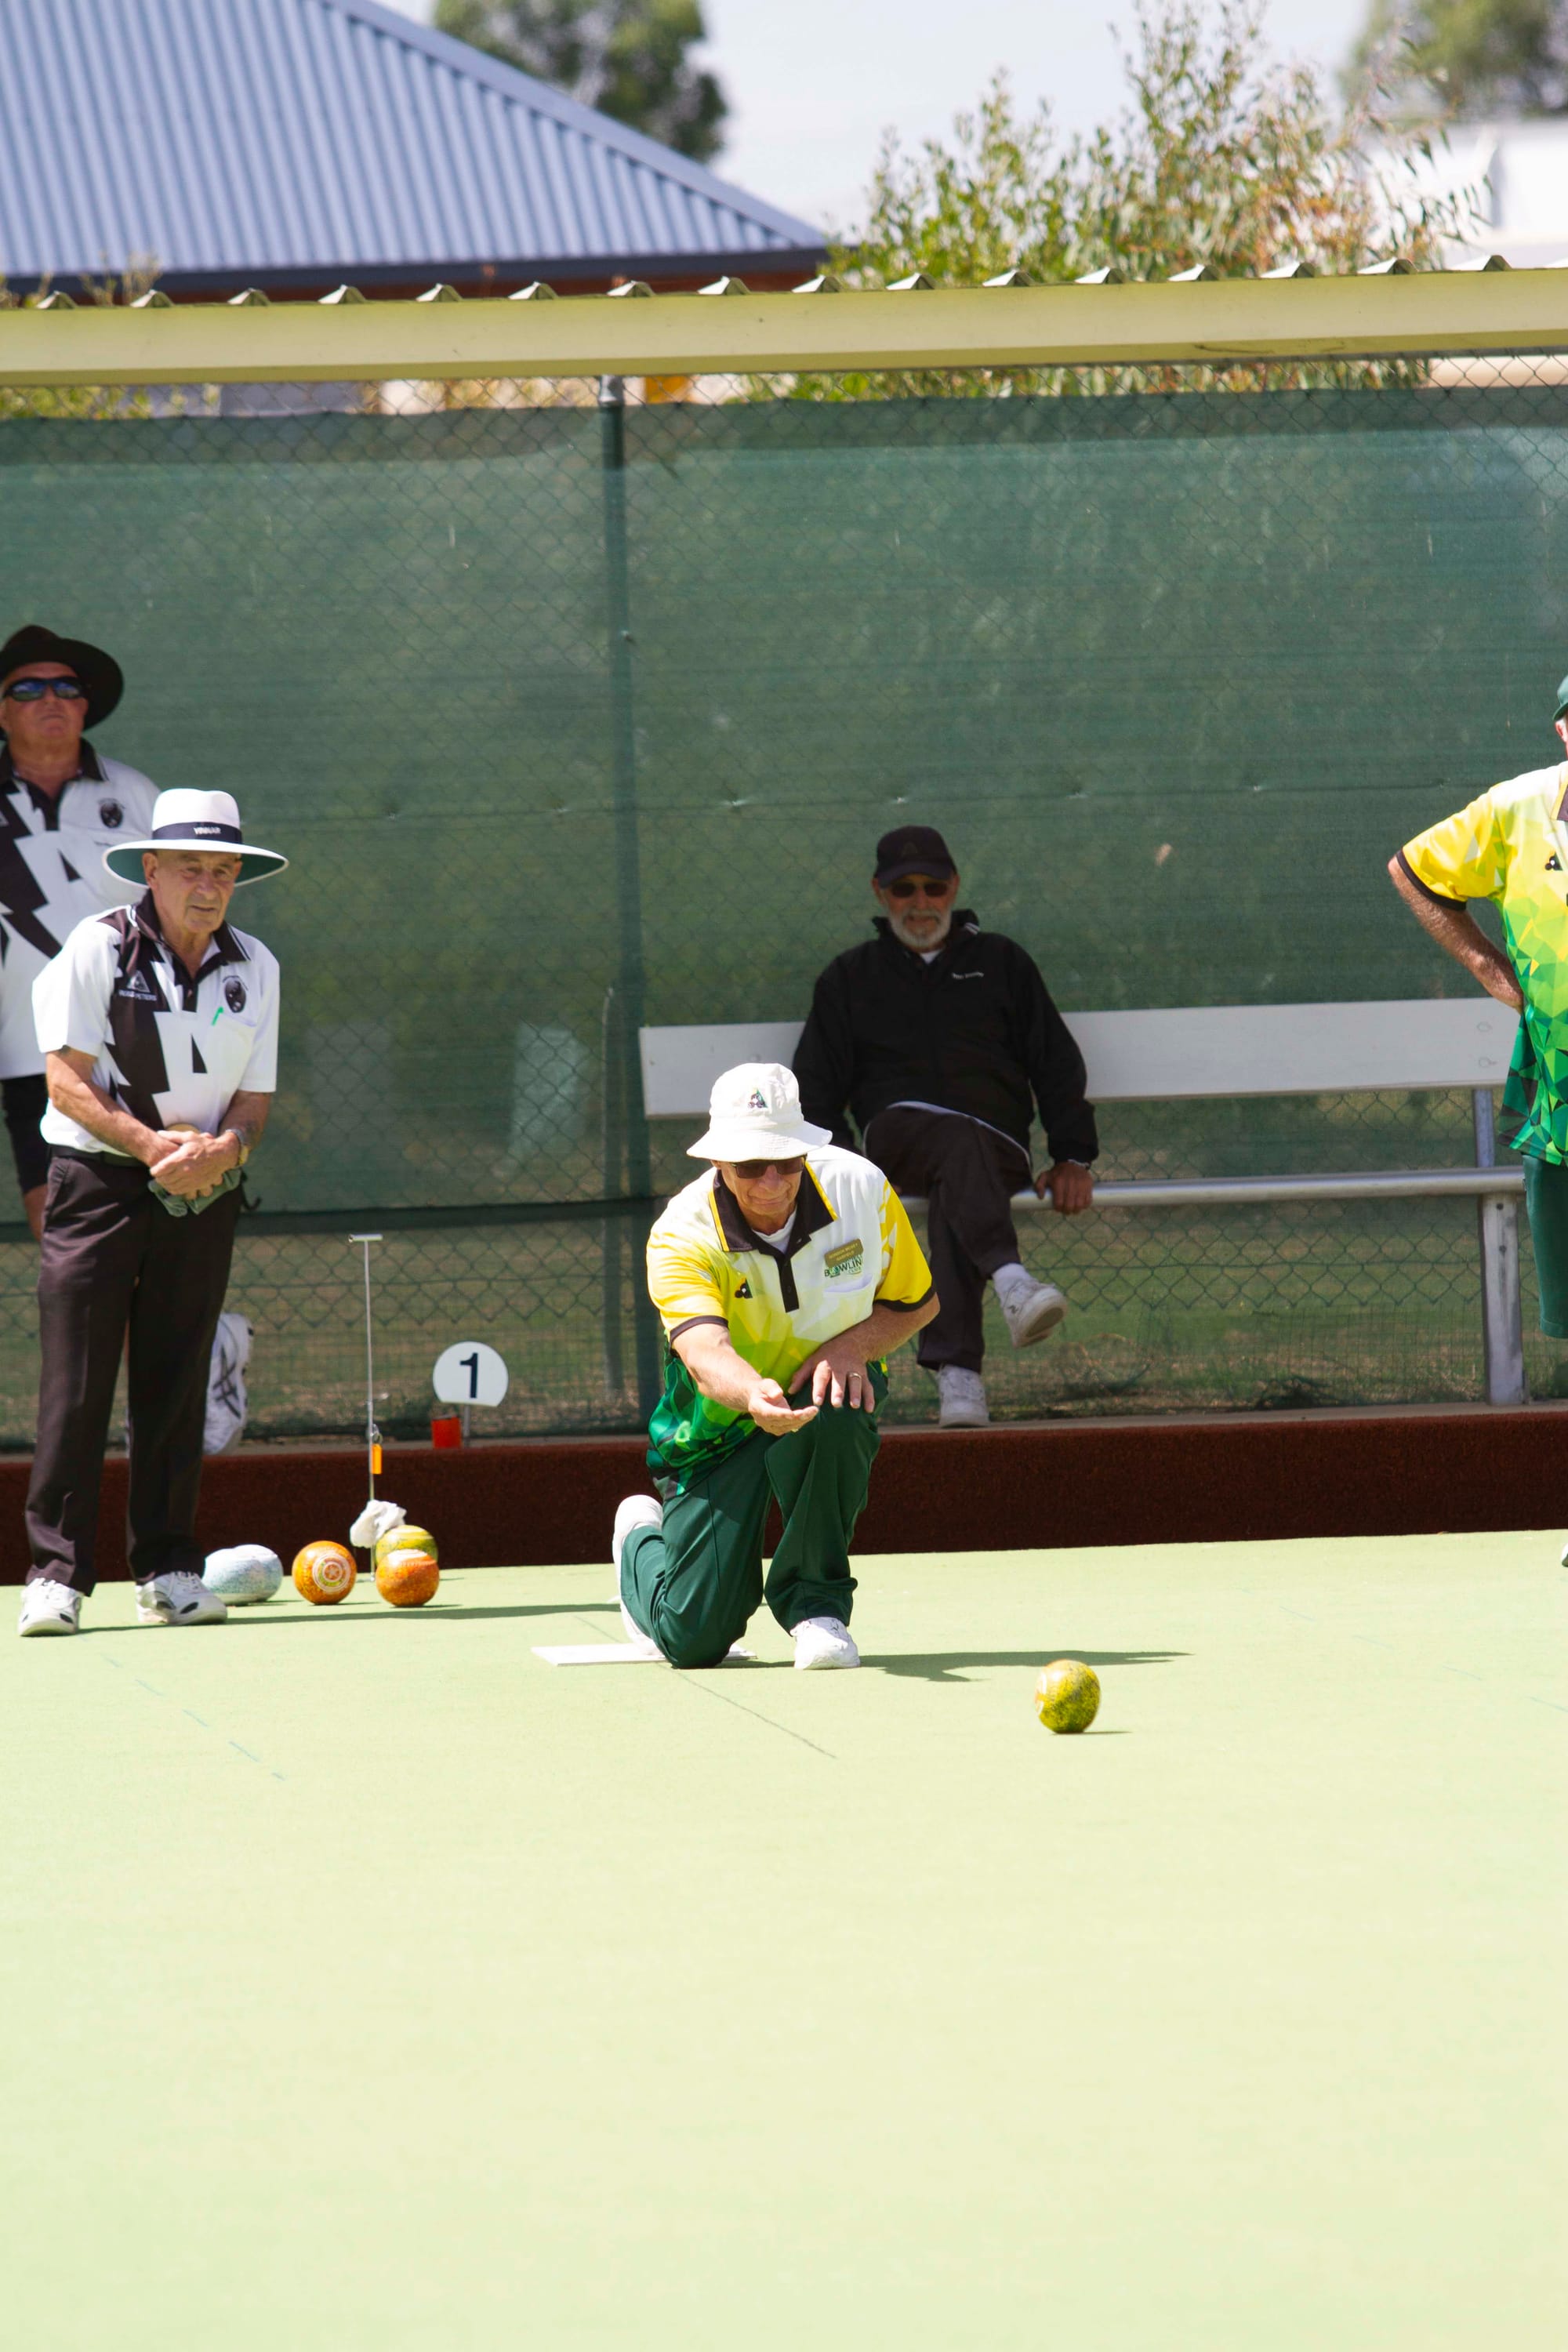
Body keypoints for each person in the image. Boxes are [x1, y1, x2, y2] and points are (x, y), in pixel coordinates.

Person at [17, 789, 286, 1636]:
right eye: (191, 869)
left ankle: (168, 1568)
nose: (208, 885)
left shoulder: (259, 966)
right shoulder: (96, 948)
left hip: (202, 1190)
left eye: (224, 871)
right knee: (78, 1382)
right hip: (96, 1184)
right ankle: (56, 1576)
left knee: (177, 1381)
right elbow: (65, 1076)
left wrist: (224, 1152)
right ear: (152, 871)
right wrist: (149, 1145)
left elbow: (253, 1101)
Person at [613, 1061, 938, 1671]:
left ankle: (817, 1608)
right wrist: (753, 1395)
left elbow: (916, 1302)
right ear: (718, 1164)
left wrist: (849, 1349)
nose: (771, 1182)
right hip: (719, 1423)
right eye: (750, 1167)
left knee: (843, 1403)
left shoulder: (861, 1191)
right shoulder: (680, 1234)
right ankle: (639, 1541)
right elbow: (705, 1354)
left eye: (787, 1161)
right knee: (694, 1640)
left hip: (826, 1392)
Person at [793, 825, 1098, 1431]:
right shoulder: (849, 978)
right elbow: (816, 1090)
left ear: (954, 887)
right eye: (904, 888)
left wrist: (1073, 1156)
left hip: (997, 1145)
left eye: (933, 886)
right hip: (898, 1140)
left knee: (963, 1178)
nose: (921, 901)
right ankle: (1011, 1281)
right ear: (880, 894)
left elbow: (1054, 1060)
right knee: (957, 1149)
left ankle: (959, 1376)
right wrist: (847, 1178)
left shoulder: (1002, 962)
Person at [1389, 669, 1568, 1363]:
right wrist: (1488, 967)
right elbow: (1415, 869)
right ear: (1562, 730)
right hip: (1561, 1103)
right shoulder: (1514, 809)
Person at [0, 626, 158, 1238]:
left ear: (85, 705)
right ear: (2, 709)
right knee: (61, 1226)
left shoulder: (137, 795)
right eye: (29, 687)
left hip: (139, 1041)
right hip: (26, 1051)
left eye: (66, 686)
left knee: (156, 1212)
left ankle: (191, 1339)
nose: (51, 699)